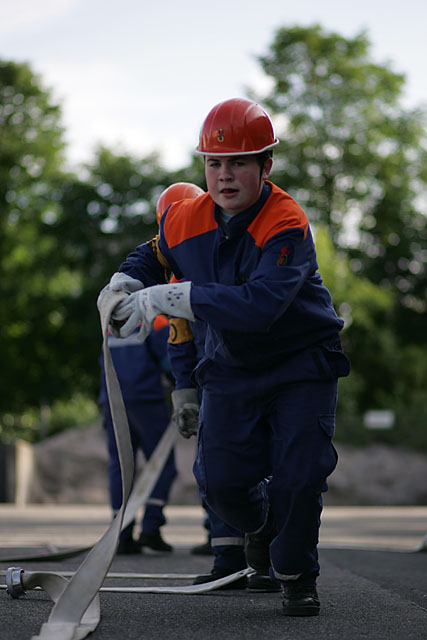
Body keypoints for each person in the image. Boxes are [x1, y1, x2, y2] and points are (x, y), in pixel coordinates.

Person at [98, 97, 350, 615]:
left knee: (300, 474)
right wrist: (125, 281)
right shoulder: (185, 217)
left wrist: (165, 297)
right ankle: (260, 527)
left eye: (239, 162)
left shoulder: (286, 221)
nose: (225, 175)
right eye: (215, 163)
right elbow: (153, 254)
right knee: (222, 484)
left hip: (301, 364)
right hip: (232, 369)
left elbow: (261, 306)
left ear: (266, 165)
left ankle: (296, 574)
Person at [157, 183, 251, 590]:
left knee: (265, 468)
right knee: (213, 469)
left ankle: (269, 556)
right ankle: (229, 558)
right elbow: (179, 339)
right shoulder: (176, 270)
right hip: (217, 379)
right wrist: (185, 394)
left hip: (257, 371)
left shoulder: (235, 250)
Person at [99, 313, 177, 555]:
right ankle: (150, 529)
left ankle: (121, 532)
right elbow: (169, 361)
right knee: (161, 464)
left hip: (112, 400)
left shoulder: (110, 323)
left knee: (121, 466)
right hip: (148, 400)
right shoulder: (156, 320)